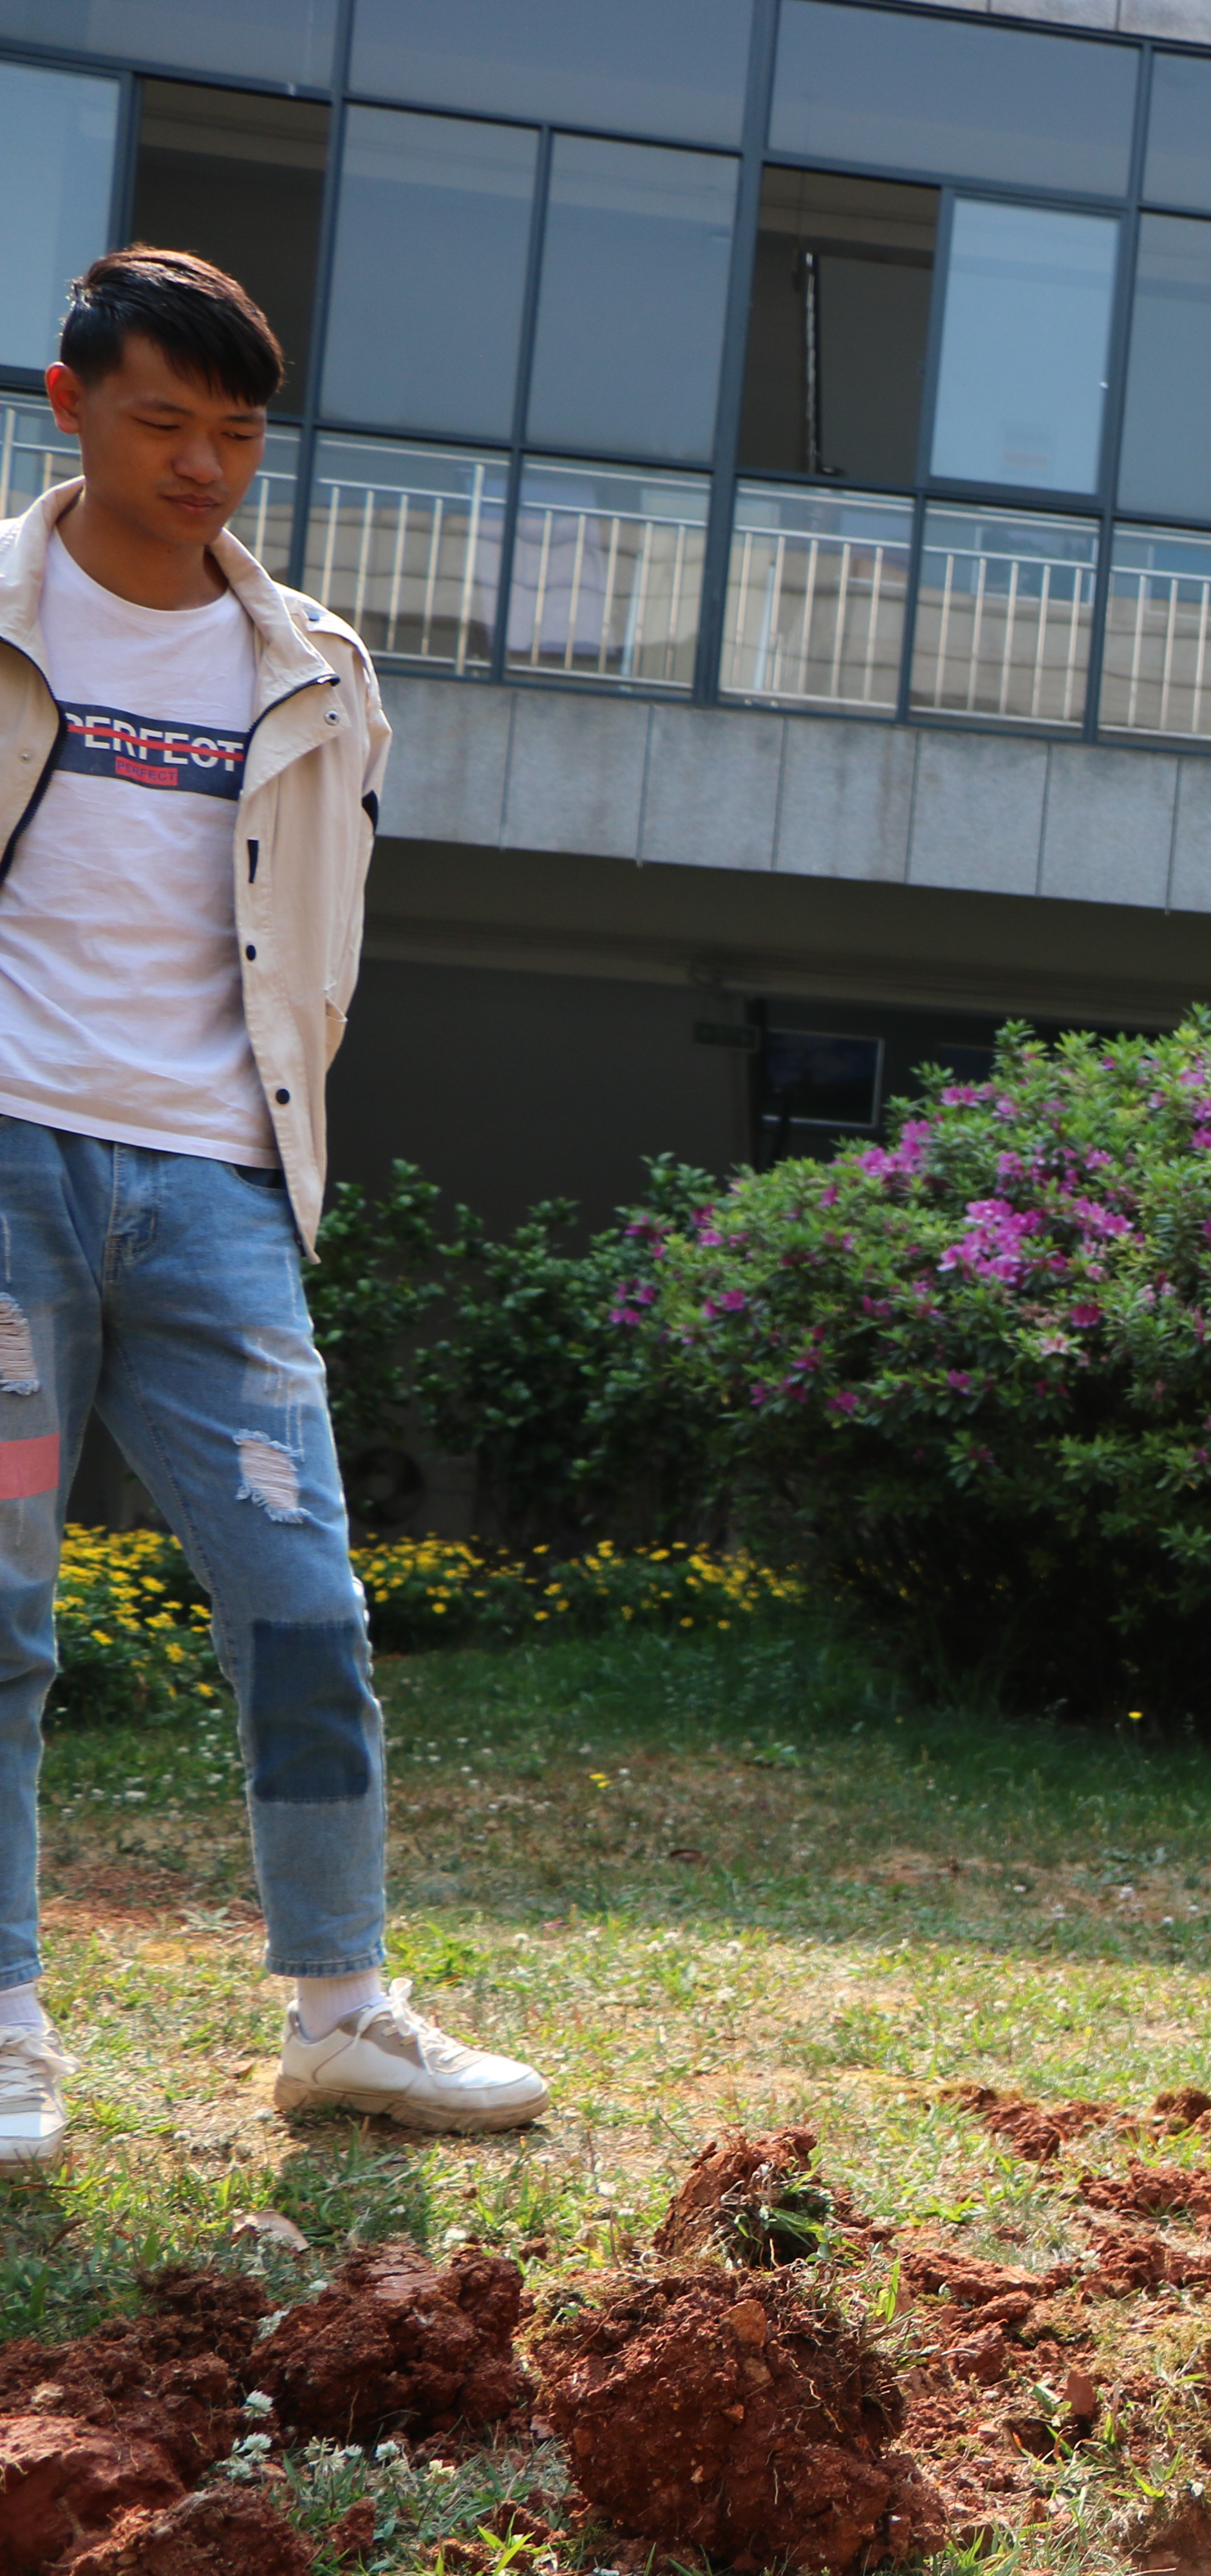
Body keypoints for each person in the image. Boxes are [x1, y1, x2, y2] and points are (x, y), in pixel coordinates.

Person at [0, 249, 551, 2161]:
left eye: (236, 433)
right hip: (4, 1169)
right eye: (162, 422)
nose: (203, 464)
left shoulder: (308, 661)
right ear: (66, 406)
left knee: (306, 1602)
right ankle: (4, 2033)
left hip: (216, 1187)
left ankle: (342, 2013)